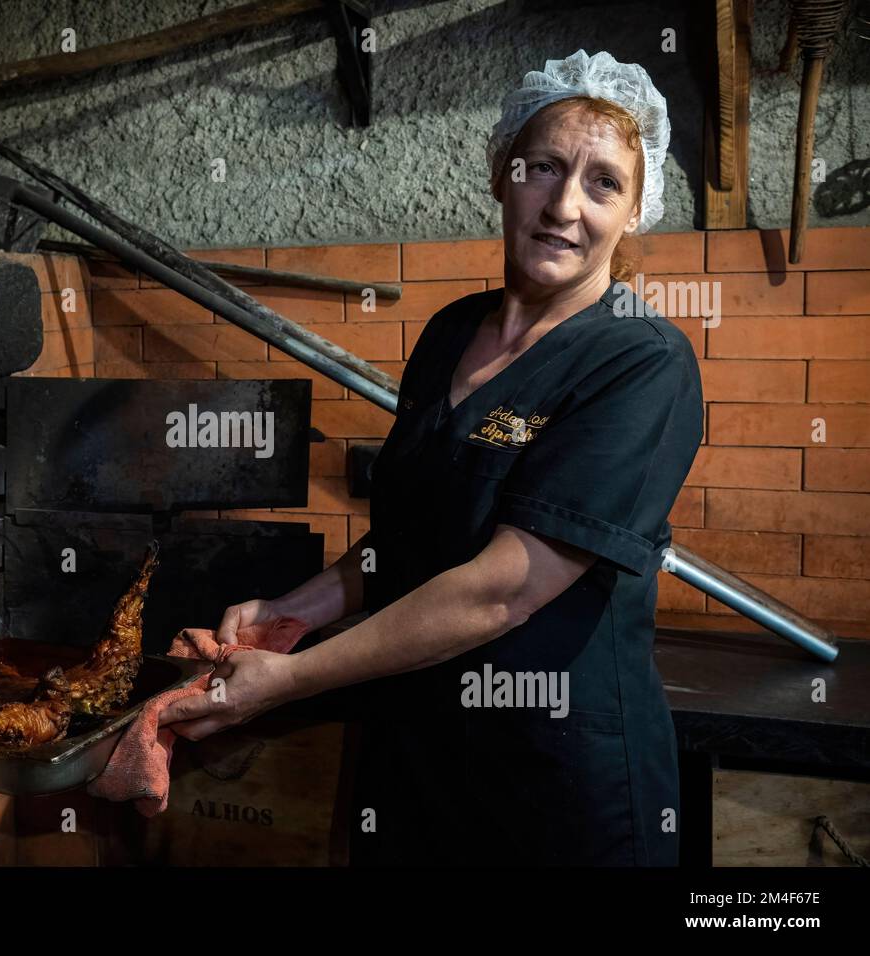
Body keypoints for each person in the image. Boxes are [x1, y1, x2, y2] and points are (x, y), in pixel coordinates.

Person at [158, 50, 704, 866]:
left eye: (602, 183)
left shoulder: (642, 362)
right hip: (418, 757)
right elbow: (412, 534)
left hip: (551, 777)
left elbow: (503, 590)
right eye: (544, 168)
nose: (563, 205)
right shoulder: (452, 330)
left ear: (634, 211)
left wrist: (293, 680)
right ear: (502, 175)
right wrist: (298, 608)